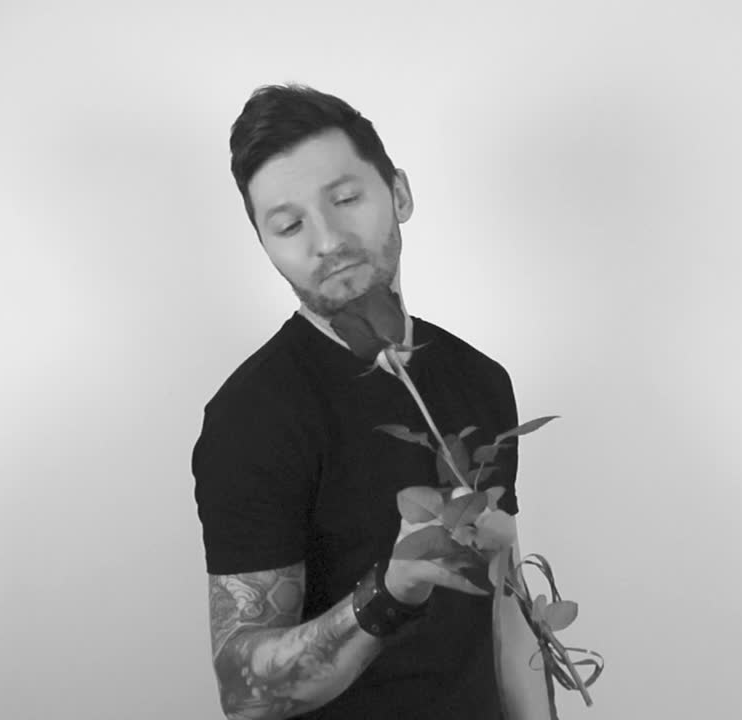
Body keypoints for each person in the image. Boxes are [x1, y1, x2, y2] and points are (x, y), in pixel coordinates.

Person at [192, 84, 549, 719]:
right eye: (290, 224)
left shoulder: (481, 378)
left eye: (347, 198)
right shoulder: (252, 417)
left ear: (400, 194)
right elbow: (243, 690)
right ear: (267, 245)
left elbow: (506, 611)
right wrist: (390, 590)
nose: (326, 240)